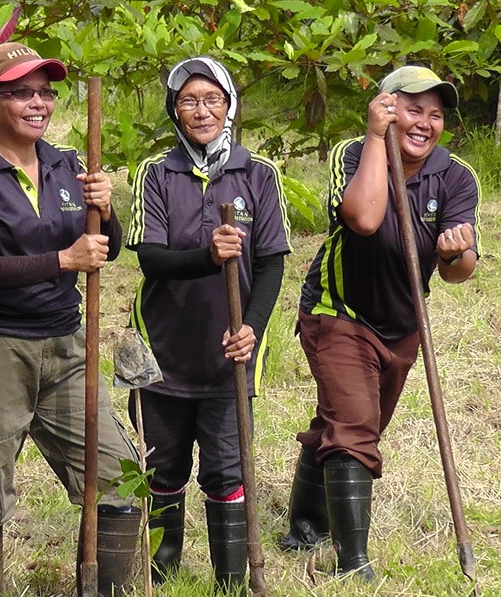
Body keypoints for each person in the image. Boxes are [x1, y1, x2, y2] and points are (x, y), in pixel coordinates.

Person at [0, 42, 140, 597]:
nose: (37, 103)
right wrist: (64, 260)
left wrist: (107, 208)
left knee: (119, 477)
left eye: (44, 92)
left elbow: (107, 248)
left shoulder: (67, 162)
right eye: (20, 92)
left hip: (67, 346)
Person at [278, 65, 481, 581]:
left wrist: (454, 254)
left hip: (402, 324)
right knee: (355, 429)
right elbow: (364, 219)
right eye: (413, 109)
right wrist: (374, 137)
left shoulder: (455, 176)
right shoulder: (351, 153)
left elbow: (460, 272)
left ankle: (304, 525)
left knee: (346, 422)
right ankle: (355, 564)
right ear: (386, 107)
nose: (424, 123)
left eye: (435, 116)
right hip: (338, 309)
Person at [126, 56, 292, 593]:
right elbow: (149, 257)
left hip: (230, 354)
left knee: (226, 470)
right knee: (162, 468)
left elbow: (271, 262)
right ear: (175, 111)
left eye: (212, 99)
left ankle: (229, 579)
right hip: (163, 352)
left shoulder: (258, 174)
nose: (202, 111)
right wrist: (207, 256)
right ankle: (162, 572)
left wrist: (255, 329)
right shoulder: (156, 172)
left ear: (230, 106)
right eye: (189, 101)